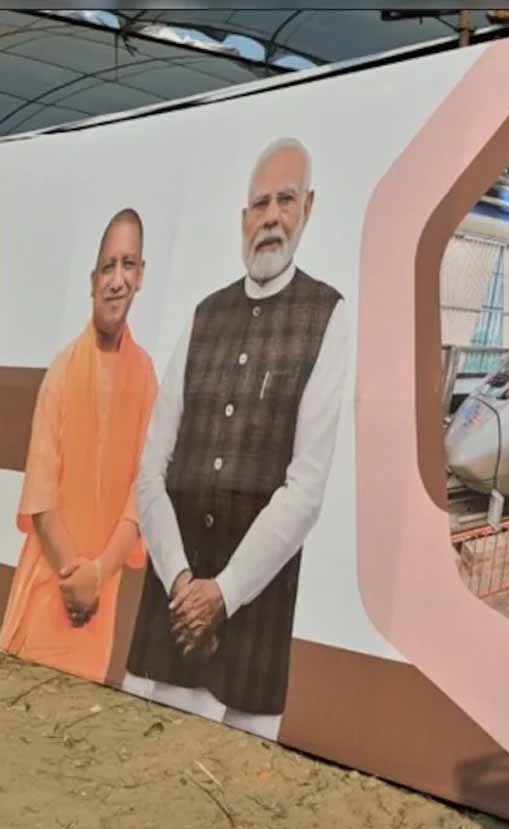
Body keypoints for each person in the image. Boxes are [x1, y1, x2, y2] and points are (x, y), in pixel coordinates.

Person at [123, 137, 348, 742]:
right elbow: (152, 471)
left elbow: (305, 491)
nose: (271, 217)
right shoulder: (203, 316)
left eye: (286, 201)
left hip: (256, 626)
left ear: (308, 208)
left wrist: (222, 594)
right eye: (259, 204)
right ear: (243, 217)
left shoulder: (327, 315)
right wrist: (181, 585)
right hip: (170, 615)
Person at [0, 209, 159, 684]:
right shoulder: (63, 370)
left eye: (127, 265)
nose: (117, 279)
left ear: (141, 275)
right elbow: (41, 498)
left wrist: (98, 576)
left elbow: (141, 493)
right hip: (49, 588)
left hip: (100, 601)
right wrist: (74, 577)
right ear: (93, 281)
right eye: (108, 267)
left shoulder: (146, 377)